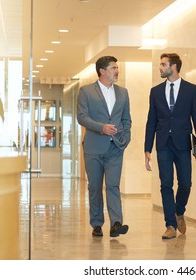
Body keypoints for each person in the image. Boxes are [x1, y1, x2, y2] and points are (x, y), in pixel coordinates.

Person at [144, 53, 196, 239]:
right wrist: (147, 149)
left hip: (183, 144)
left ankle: (179, 212)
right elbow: (151, 121)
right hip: (163, 143)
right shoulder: (155, 91)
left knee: (186, 183)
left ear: (174, 67)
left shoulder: (191, 90)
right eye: (160, 65)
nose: (160, 68)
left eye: (163, 65)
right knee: (166, 184)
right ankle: (170, 225)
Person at [77, 56, 131, 238]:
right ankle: (97, 223)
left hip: (116, 147)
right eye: (114, 67)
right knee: (94, 187)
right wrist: (102, 127)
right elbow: (82, 117)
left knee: (113, 185)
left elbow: (126, 119)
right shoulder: (86, 91)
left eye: (117, 67)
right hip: (94, 146)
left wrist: (126, 138)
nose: (117, 70)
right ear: (102, 71)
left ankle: (116, 223)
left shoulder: (123, 92)